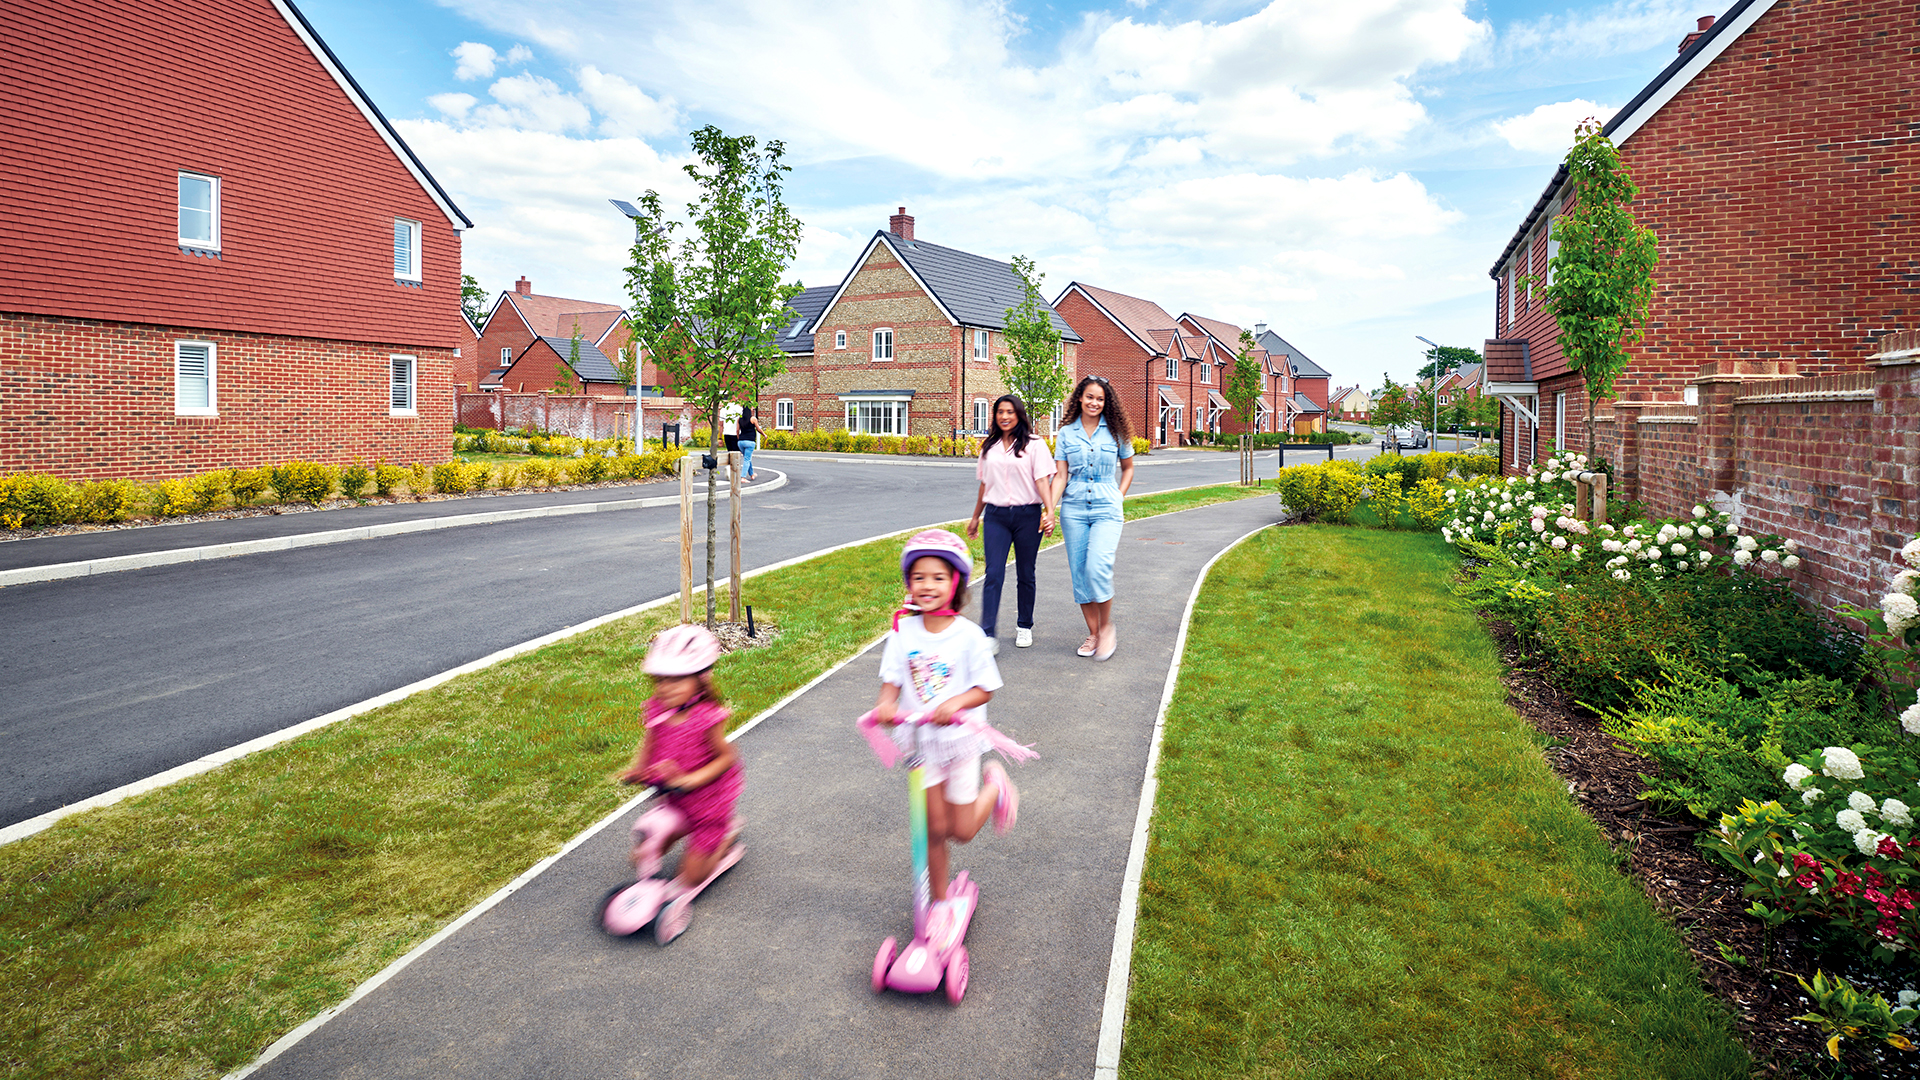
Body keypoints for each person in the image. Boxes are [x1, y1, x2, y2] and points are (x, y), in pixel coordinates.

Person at [872, 529, 1019, 953]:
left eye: (938, 577)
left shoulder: (968, 635)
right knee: (932, 831)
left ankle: (995, 787)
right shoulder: (902, 632)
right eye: (919, 577)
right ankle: (939, 904)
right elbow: (891, 681)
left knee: (963, 831)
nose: (927, 585)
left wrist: (955, 702)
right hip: (922, 744)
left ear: (955, 582)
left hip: (960, 742)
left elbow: (985, 688)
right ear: (908, 583)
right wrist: (885, 704)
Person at [620, 624, 743, 924]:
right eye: (660, 679)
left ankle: (725, 837)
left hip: (708, 806)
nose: (665, 687)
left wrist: (691, 780)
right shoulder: (658, 709)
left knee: (690, 877)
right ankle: (690, 839)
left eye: (676, 679)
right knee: (645, 848)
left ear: (700, 679)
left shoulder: (707, 718)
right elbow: (650, 741)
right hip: (674, 800)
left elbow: (727, 758)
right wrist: (639, 768)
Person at [1050, 375, 1135, 661]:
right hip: (1073, 510)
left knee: (1097, 567)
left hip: (1106, 509)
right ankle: (1094, 633)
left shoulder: (1116, 431)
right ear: (1079, 398)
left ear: (1106, 402)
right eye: (1089, 397)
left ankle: (1107, 627)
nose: (1094, 403)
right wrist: (1049, 509)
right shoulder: (1066, 433)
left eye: (1100, 398)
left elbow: (1128, 468)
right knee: (1080, 574)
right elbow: (1060, 476)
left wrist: (1118, 496)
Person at [965, 395, 1055, 654]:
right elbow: (985, 484)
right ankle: (988, 633)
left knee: (1026, 573)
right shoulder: (989, 447)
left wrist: (1049, 512)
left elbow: (1042, 480)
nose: (1004, 416)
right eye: (1000, 412)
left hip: (1028, 516)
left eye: (1010, 412)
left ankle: (1024, 625)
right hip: (996, 517)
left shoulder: (1035, 444)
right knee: (993, 573)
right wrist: (975, 517)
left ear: (1019, 415)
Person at [737, 406, 759, 482]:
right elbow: (758, 429)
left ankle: (752, 474)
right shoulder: (753, 419)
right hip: (750, 441)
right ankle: (743, 477)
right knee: (747, 459)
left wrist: (738, 439)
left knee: (747, 458)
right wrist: (764, 434)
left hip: (741, 442)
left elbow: (737, 430)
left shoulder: (739, 419)